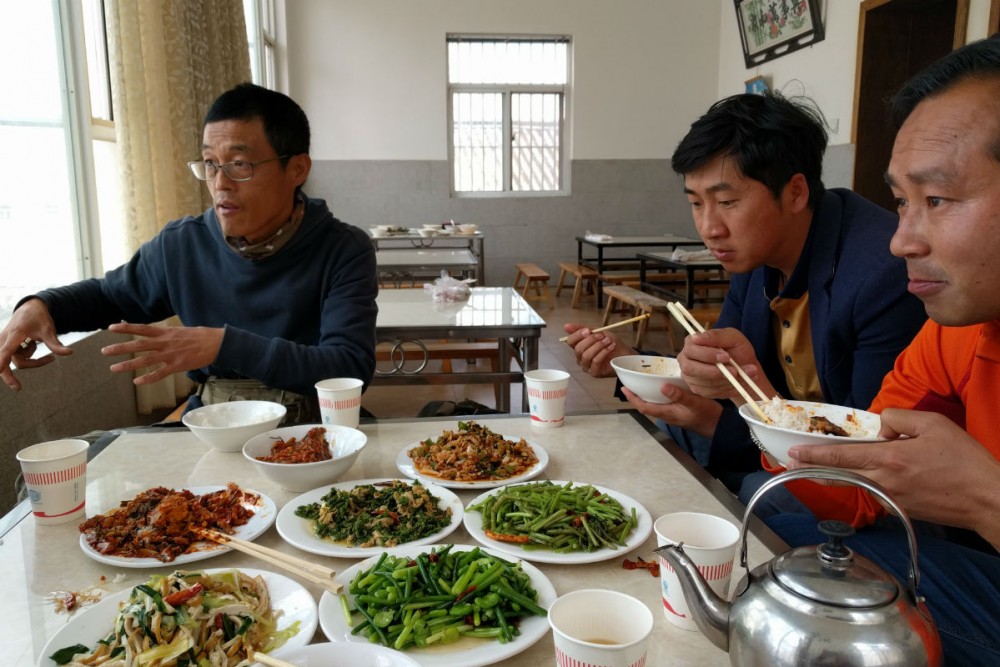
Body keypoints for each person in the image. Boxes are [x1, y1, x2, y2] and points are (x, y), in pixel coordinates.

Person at [763, 36, 1000, 664]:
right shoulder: (958, 328)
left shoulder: (874, 279)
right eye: (901, 201)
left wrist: (986, 498)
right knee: (774, 537)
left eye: (938, 200)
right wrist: (769, 423)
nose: (900, 241)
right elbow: (859, 489)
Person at [564, 92, 926, 496]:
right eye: (696, 204)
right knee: (661, 434)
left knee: (760, 493)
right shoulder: (754, 258)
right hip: (765, 438)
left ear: (795, 192)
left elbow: (865, 454)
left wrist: (714, 421)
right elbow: (722, 381)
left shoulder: (882, 274)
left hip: (850, 481)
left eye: (727, 202)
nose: (709, 227)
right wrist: (628, 362)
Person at [0, 83, 378, 421]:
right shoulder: (182, 244)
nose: (220, 183)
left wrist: (224, 345)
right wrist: (42, 306)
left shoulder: (343, 248)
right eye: (210, 164)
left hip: (316, 428)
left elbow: (349, 367)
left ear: (297, 169)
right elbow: (108, 295)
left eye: (239, 164)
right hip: (214, 424)